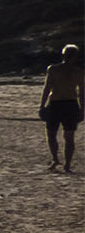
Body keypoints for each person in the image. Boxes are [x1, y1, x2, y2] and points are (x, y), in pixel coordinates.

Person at [38, 43, 84, 172]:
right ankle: (66, 164)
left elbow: (47, 89)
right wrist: (82, 110)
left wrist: (41, 105)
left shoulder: (53, 69)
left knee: (52, 134)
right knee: (68, 136)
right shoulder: (79, 72)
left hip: (57, 104)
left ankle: (56, 159)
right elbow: (82, 94)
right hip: (70, 104)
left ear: (63, 55)